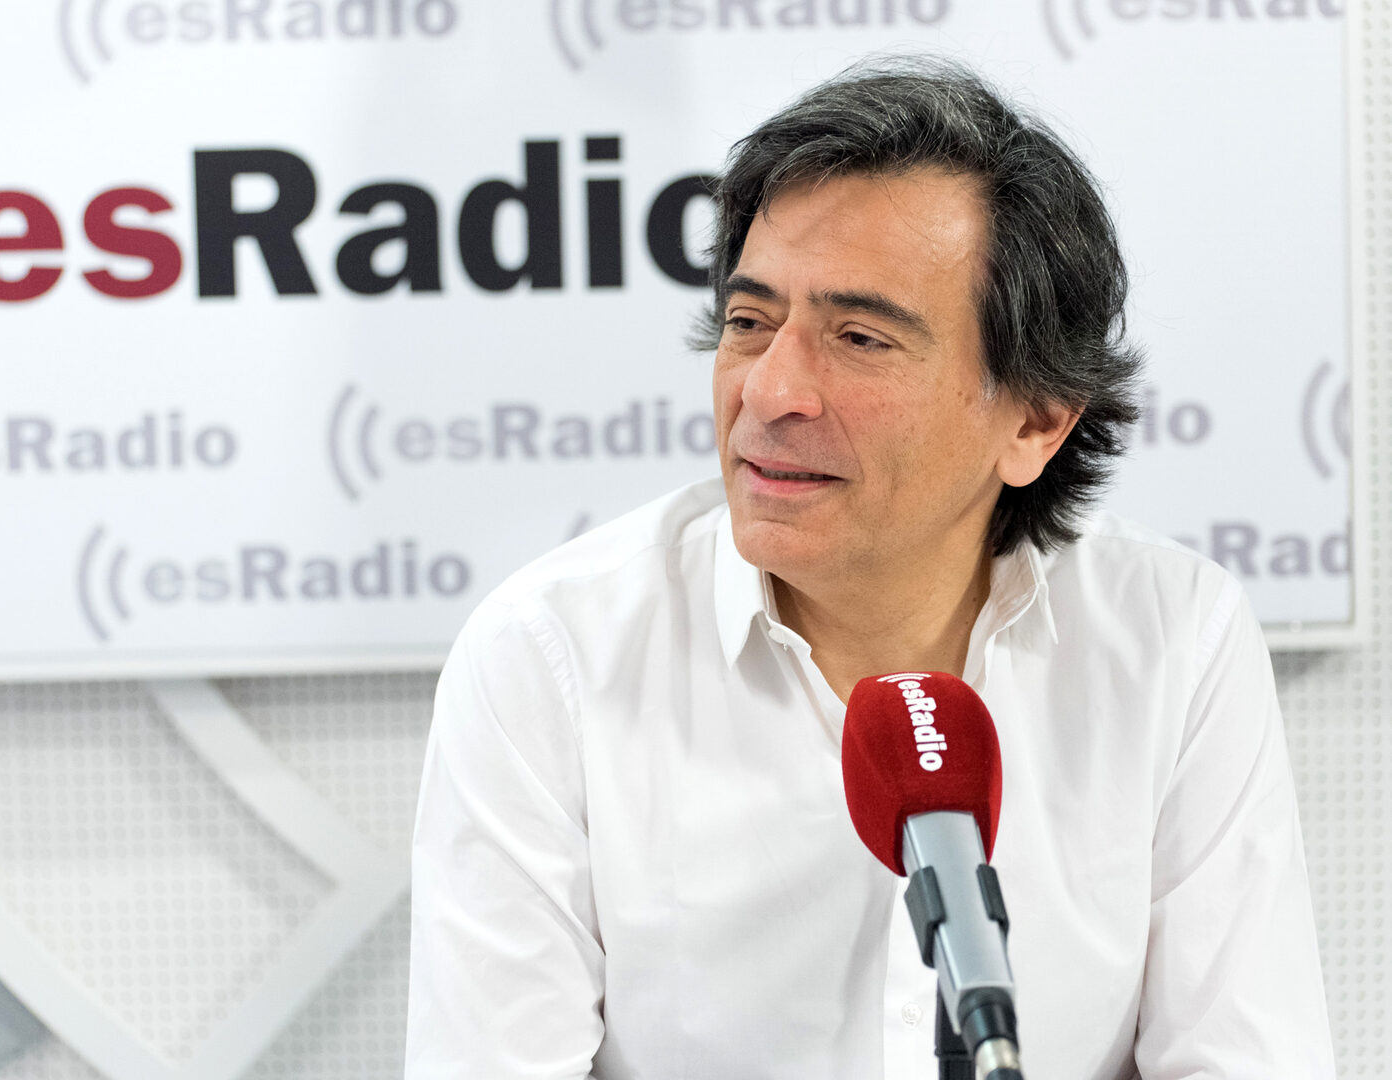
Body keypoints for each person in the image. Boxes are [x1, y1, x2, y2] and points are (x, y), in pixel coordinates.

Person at [404, 57, 1334, 1079]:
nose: (770, 392)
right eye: (750, 323)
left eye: (857, 337)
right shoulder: (549, 656)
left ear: (1034, 419)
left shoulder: (1172, 637)